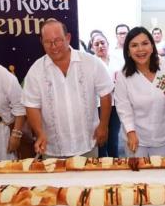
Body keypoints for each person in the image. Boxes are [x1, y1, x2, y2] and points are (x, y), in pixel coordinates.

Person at [22, 19, 113, 158]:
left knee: (89, 180)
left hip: (87, 143)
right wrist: (39, 133)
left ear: (68, 38)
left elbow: (106, 94)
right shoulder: (36, 70)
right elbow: (31, 105)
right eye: (48, 42)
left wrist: (104, 125)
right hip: (52, 148)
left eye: (58, 40)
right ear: (42, 42)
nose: (53, 46)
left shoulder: (91, 62)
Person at [114, 26, 165, 157]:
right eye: (134, 45)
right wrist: (130, 131)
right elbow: (123, 107)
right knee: (137, 175)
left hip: (163, 134)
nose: (140, 49)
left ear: (152, 46)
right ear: (128, 51)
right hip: (135, 136)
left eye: (145, 43)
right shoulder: (123, 75)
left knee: (159, 173)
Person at [91, 32, 121, 157]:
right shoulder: (91, 62)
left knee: (113, 136)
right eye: (96, 44)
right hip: (99, 105)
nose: (100, 46)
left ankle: (115, 162)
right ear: (92, 47)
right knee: (101, 135)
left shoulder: (117, 60)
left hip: (116, 103)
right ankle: (102, 163)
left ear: (108, 44)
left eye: (102, 43)